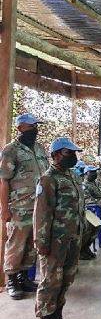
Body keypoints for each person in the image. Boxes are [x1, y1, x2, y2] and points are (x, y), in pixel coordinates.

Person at [33, 137, 84, 319]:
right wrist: (41, 242)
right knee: (50, 282)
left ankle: (57, 318)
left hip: (72, 238)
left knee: (66, 279)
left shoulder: (72, 176)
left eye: (74, 153)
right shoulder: (48, 179)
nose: (72, 156)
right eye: (67, 153)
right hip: (54, 241)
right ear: (55, 155)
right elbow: (41, 213)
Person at [0, 113, 48, 300]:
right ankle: (12, 280)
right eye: (31, 126)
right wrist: (5, 209)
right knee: (16, 244)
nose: (35, 130)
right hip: (19, 208)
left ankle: (24, 278)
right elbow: (4, 181)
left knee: (31, 245)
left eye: (36, 126)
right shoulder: (10, 150)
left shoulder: (39, 148)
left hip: (39, 207)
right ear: (20, 128)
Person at [81, 165, 101, 260]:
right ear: (85, 174)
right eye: (91, 172)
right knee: (91, 228)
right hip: (90, 210)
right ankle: (82, 249)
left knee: (97, 228)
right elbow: (87, 200)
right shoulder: (84, 185)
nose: (94, 174)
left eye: (95, 172)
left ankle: (86, 248)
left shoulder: (97, 183)